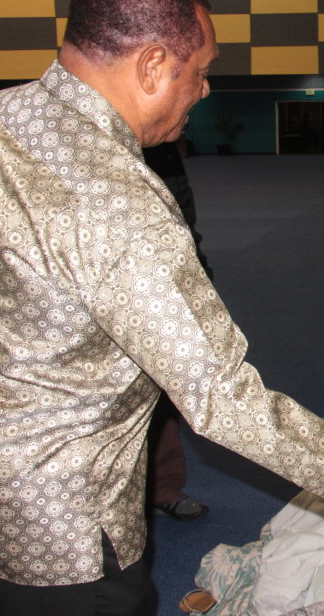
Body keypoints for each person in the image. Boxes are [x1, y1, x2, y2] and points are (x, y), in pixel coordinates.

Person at [0, 0, 324, 616]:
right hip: (68, 531)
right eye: (200, 70)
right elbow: (220, 397)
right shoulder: (120, 199)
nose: (205, 89)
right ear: (152, 64)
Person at [142, 140, 212, 521]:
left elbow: (183, 219)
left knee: (163, 393)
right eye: (199, 77)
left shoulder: (162, 149)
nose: (205, 90)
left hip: (164, 287)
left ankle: (163, 486)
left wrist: (199, 278)